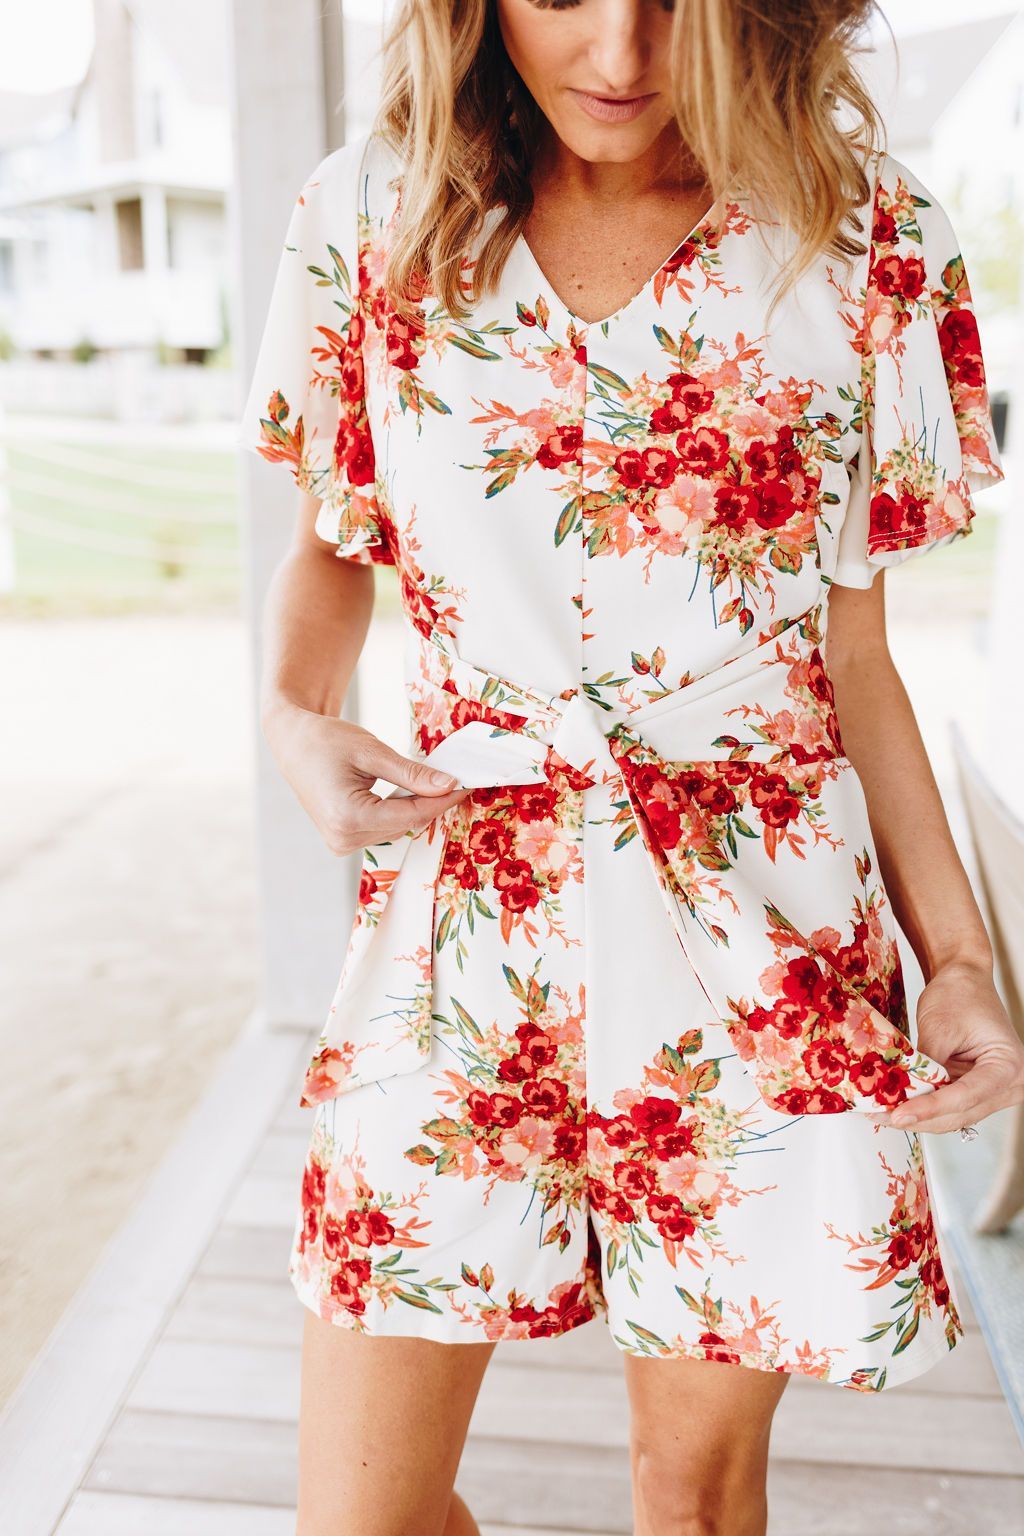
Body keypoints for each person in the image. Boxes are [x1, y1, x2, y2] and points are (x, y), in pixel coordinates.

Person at [237, 3, 1024, 1532]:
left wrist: (960, 965)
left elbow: (856, 660)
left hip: (762, 933)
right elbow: (334, 539)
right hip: (467, 922)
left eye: (676, 1)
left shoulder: (861, 234)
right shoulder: (369, 214)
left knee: (694, 1496)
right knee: (360, 1516)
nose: (619, 53)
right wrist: (292, 717)